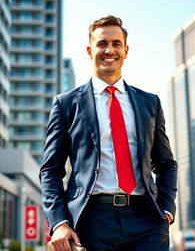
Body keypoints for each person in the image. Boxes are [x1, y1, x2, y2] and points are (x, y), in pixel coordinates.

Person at [39, 15, 178, 251]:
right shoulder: (66, 104)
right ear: (89, 50)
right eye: (102, 44)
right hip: (91, 221)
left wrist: (166, 209)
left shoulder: (149, 103)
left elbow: (166, 164)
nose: (109, 50)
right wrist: (59, 222)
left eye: (115, 43)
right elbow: (50, 170)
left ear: (126, 50)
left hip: (147, 221)